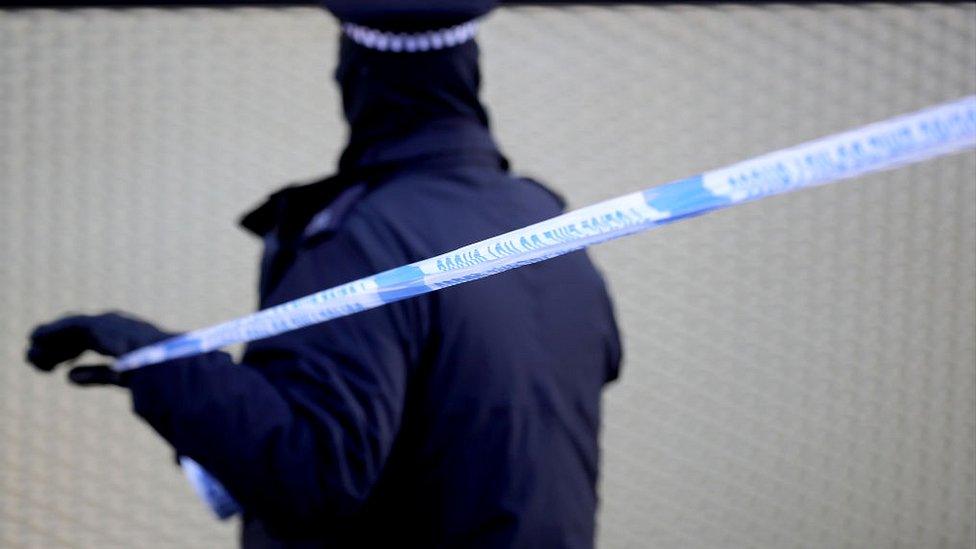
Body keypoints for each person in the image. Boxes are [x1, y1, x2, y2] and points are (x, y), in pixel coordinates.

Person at [25, 2, 622, 547]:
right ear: (469, 74)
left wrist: (159, 360)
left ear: (354, 76)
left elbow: (313, 471)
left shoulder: (363, 239)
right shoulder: (541, 217)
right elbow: (579, 373)